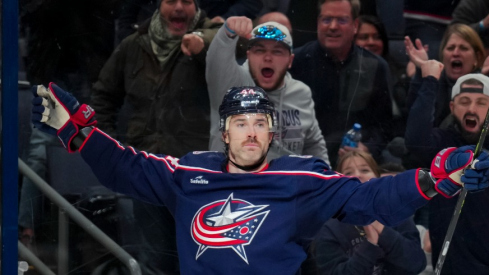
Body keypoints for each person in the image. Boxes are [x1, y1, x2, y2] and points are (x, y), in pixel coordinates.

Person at [30, 83, 489, 274]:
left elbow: (372, 198)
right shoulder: (188, 173)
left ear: (271, 132)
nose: (250, 130)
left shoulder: (300, 178)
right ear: (224, 132)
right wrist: (78, 131)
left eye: (259, 122)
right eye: (240, 122)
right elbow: (125, 167)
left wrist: (435, 178)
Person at [90, 0, 221, 273]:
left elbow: (237, 46)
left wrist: (202, 43)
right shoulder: (134, 45)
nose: (179, 8)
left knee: (201, 258)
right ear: (158, 6)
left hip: (196, 175)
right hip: (147, 171)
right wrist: (111, 150)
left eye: (186, 1)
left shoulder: (215, 36)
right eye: (171, 1)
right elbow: (102, 97)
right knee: (155, 262)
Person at [206, 15, 330, 164]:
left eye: (277, 51)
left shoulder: (301, 93)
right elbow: (216, 62)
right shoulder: (232, 85)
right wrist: (226, 33)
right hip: (232, 182)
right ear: (248, 56)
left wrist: (326, 181)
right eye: (259, 50)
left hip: (285, 184)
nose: (268, 58)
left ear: (290, 60)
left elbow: (313, 145)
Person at [404, 62, 489, 274]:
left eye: (481, 102)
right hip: (454, 263)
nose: (471, 109)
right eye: (464, 101)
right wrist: (430, 81)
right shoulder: (442, 143)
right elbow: (415, 139)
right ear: (452, 107)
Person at [289, 0, 393, 167]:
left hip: (358, 161)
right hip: (305, 161)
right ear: (318, 23)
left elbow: (385, 125)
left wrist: (368, 148)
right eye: (326, 20)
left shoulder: (376, 66)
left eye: (342, 20)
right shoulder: (296, 61)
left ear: (355, 26)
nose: (333, 26)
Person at [308, 151, 426, 274]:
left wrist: (383, 231)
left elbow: (417, 264)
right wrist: (370, 245)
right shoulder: (329, 228)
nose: (357, 176)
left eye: (364, 170)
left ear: (377, 178)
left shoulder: (399, 215)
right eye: (348, 173)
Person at [404, 24, 486, 133]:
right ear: (442, 56)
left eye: (463, 48)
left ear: (477, 57)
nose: (455, 53)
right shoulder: (433, 82)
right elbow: (412, 120)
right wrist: (421, 71)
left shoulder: (486, 85)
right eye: (450, 48)